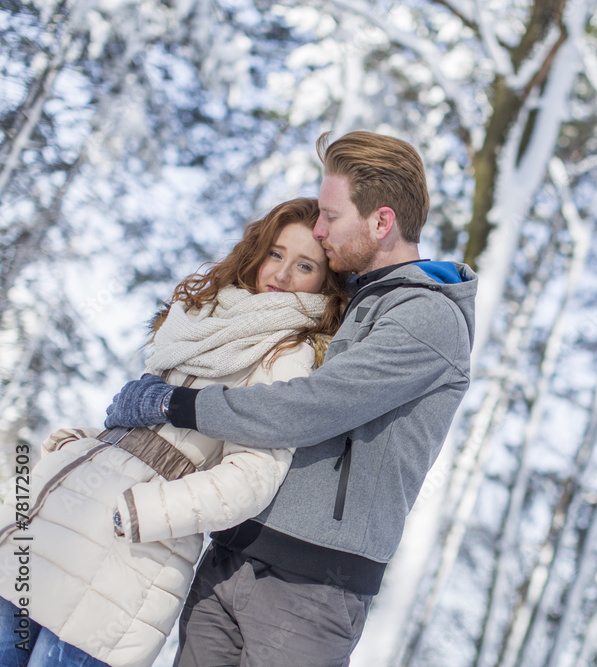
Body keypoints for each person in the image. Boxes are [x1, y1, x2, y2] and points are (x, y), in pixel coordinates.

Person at [103, 130, 478, 666]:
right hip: (231, 554)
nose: (319, 229)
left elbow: (308, 407)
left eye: (330, 216)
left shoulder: (427, 319)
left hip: (312, 588)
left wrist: (174, 404)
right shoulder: (345, 303)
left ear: (381, 222)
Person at [0, 197, 347, 667]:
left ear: (325, 282)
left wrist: (137, 512)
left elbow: (251, 479)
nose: (281, 275)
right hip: (52, 528)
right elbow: (149, 433)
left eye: (304, 265)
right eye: (275, 253)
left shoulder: (287, 352)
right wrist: (76, 443)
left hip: (122, 568)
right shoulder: (203, 318)